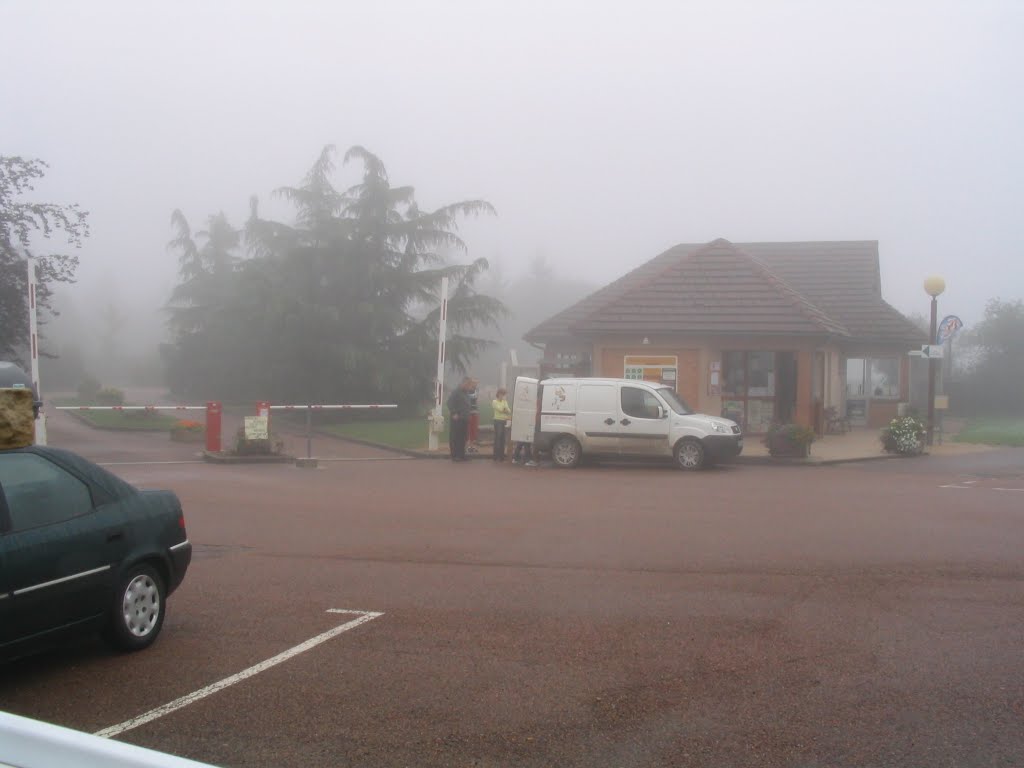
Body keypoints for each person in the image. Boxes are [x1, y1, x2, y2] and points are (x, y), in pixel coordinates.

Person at [447, 377, 474, 462]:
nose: (470, 387)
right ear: (464, 383)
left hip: (465, 418)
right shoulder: (456, 392)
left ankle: (462, 455)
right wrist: (454, 413)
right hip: (457, 418)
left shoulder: (466, 393)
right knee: (456, 437)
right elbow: (449, 402)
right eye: (469, 385)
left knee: (463, 437)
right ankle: (455, 455)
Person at [491, 388, 511, 462]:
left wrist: (505, 410)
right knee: (498, 438)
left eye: (504, 395)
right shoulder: (494, 401)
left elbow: (509, 411)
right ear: (499, 394)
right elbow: (500, 409)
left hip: (504, 421)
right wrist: (504, 409)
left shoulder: (505, 401)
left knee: (503, 439)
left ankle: (501, 456)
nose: (503, 396)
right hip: (498, 421)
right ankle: (496, 456)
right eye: (503, 394)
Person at [466, 379, 480, 453]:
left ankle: (472, 445)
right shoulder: (467, 391)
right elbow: (471, 397)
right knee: (468, 429)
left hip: (475, 411)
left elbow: (476, 397)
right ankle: (468, 446)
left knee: (473, 430)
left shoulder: (476, 390)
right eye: (474, 383)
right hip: (468, 412)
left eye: (476, 384)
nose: (475, 385)